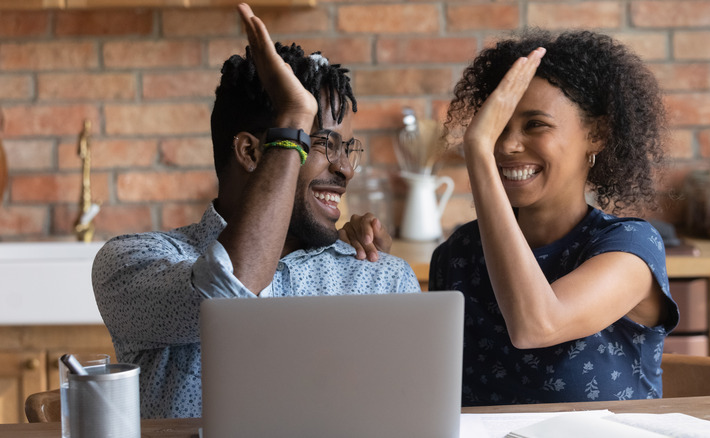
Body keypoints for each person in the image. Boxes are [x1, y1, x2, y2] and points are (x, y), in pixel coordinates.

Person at [92, 3, 420, 419]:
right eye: (321, 144)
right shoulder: (133, 263)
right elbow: (231, 289)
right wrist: (293, 119)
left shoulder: (380, 277)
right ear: (251, 152)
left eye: (347, 148)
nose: (346, 169)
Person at [428, 28, 680, 405]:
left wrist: (478, 148)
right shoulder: (459, 253)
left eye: (535, 124)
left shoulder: (629, 249)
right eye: (498, 128)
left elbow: (537, 325)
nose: (508, 146)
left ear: (596, 134)